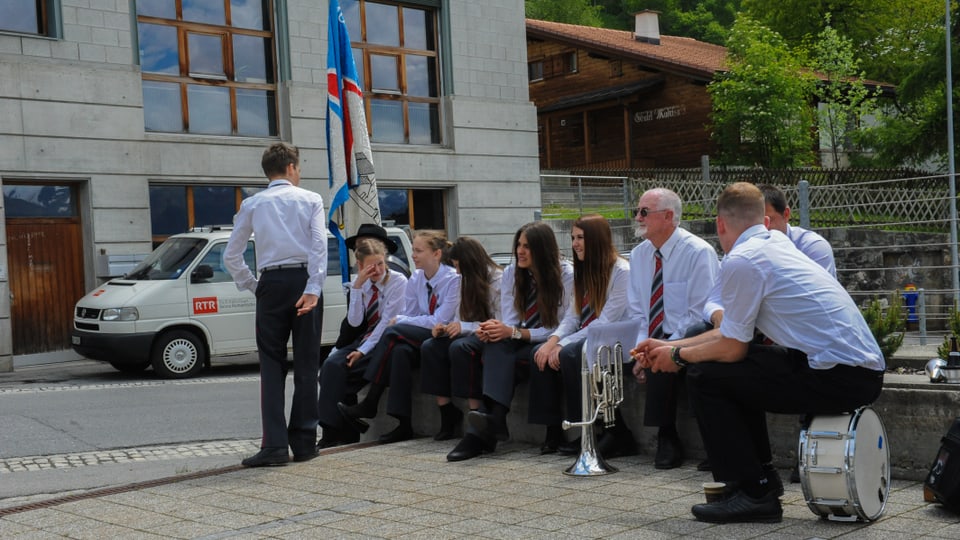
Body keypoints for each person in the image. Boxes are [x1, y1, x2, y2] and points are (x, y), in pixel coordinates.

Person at [632, 182, 884, 524]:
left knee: (707, 377)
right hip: (852, 369)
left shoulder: (743, 259)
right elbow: (731, 333)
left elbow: (732, 349)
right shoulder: (772, 243)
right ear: (763, 219)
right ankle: (760, 480)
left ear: (720, 225)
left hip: (841, 376)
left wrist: (678, 358)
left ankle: (753, 491)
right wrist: (669, 346)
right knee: (730, 371)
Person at [224, 142, 327, 467]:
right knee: (308, 365)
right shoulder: (311, 199)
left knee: (271, 366)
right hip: (304, 280)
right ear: (292, 167)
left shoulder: (253, 204)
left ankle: (275, 447)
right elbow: (319, 244)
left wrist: (254, 285)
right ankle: (306, 443)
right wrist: (313, 286)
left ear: (268, 171)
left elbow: (231, 254)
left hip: (270, 283)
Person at [445, 221, 574, 462]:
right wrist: (494, 329)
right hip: (519, 337)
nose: (520, 251)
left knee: (534, 356)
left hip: (549, 339)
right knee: (464, 347)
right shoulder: (512, 273)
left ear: (543, 249)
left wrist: (512, 333)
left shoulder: (566, 275)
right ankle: (490, 420)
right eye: (518, 245)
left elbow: (561, 327)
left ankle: (488, 425)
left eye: (527, 246)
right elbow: (512, 319)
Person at [527, 214, 636, 459]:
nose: (575, 244)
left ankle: (598, 429)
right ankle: (554, 430)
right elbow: (573, 317)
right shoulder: (584, 271)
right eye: (573, 238)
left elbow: (605, 322)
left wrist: (563, 344)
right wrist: (552, 342)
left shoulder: (622, 271)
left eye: (581, 238)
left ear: (597, 240)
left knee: (572, 353)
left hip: (618, 337)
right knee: (539, 352)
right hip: (594, 336)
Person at [339, 230, 460, 443]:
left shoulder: (453, 280)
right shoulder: (416, 277)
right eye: (413, 249)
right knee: (399, 352)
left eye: (419, 250)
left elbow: (440, 320)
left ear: (437, 254)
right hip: (421, 335)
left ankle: (370, 402)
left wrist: (403, 321)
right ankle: (404, 424)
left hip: (445, 334)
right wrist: (405, 320)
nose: (413, 255)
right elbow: (412, 314)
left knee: (393, 330)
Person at [627, 188, 719, 470]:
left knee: (667, 350)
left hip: (693, 336)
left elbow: (699, 314)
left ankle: (673, 437)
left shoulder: (698, 252)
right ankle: (665, 436)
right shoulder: (639, 255)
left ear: (669, 217)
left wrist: (661, 347)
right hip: (659, 334)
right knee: (652, 351)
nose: (638, 217)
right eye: (638, 211)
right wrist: (643, 347)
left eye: (645, 212)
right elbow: (639, 312)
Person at [316, 236, 407, 448]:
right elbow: (355, 321)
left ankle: (335, 433)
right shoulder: (362, 283)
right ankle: (334, 431)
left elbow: (385, 325)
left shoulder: (398, 282)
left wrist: (362, 352)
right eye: (371, 266)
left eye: (380, 264)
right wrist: (357, 287)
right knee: (330, 367)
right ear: (360, 265)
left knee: (341, 374)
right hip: (365, 337)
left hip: (386, 340)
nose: (377, 270)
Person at [420, 237, 503, 441]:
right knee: (431, 346)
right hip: (469, 331)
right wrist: (445, 328)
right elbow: (458, 316)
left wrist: (463, 327)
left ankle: (476, 413)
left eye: (459, 266)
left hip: (490, 335)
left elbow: (499, 321)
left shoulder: (498, 280)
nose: (457, 272)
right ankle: (446, 411)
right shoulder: (461, 280)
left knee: (460, 348)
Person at [758, 184, 836, 277]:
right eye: (754, 223)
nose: (760, 229)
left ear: (786, 214)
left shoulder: (812, 247)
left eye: (767, 220)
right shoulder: (744, 248)